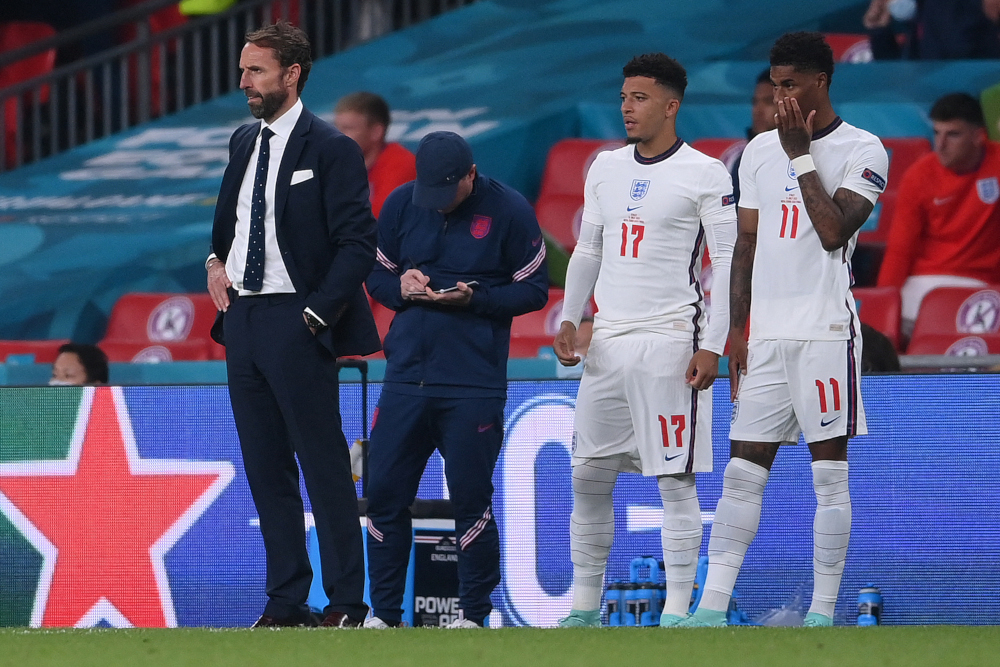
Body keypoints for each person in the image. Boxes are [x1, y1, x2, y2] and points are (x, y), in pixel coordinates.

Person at [678, 32, 889, 628]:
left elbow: (832, 231)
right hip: (765, 336)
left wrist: (800, 155)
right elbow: (743, 245)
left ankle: (822, 613)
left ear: (822, 82)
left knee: (829, 476)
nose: (779, 97)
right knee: (742, 473)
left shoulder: (864, 149)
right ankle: (711, 608)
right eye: (774, 85)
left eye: (790, 85)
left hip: (825, 331)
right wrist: (736, 331)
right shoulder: (757, 153)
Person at [206, 21, 380, 629]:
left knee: (323, 465)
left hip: (297, 320)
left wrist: (315, 314)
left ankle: (347, 604)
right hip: (244, 321)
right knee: (265, 467)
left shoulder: (331, 148)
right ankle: (285, 599)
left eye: (256, 70)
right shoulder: (240, 142)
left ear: (291, 74)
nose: (244, 81)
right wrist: (213, 263)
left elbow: (358, 242)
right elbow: (226, 228)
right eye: (243, 70)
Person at [553, 52, 736, 628]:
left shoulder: (705, 173)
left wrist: (715, 343)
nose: (627, 107)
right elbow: (589, 248)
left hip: (669, 340)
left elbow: (728, 263)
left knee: (674, 480)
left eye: (640, 97)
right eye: (624, 96)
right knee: (588, 473)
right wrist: (570, 315)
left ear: (671, 105)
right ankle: (583, 609)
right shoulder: (603, 166)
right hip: (607, 340)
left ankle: (679, 613)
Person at [363, 131, 548, 629]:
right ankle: (382, 617)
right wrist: (399, 286)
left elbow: (534, 291)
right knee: (382, 494)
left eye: (448, 193)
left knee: (471, 499)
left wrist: (476, 298)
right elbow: (375, 276)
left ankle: (473, 615)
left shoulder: (509, 209)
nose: (438, 206)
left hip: (472, 382)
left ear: (470, 174)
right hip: (404, 377)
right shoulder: (403, 202)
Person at [877, 93, 1000, 341]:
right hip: (925, 281)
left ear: (979, 136)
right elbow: (900, 251)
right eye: (936, 133)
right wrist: (882, 307)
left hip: (984, 286)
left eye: (953, 134)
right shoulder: (919, 175)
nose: (940, 145)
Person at [334, 92, 417, 218]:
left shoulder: (402, 165)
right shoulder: (338, 163)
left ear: (376, 132)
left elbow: (377, 220)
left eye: (348, 128)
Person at [731, 69, 779, 204]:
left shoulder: (803, 153)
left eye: (768, 102)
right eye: (755, 102)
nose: (758, 110)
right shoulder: (745, 158)